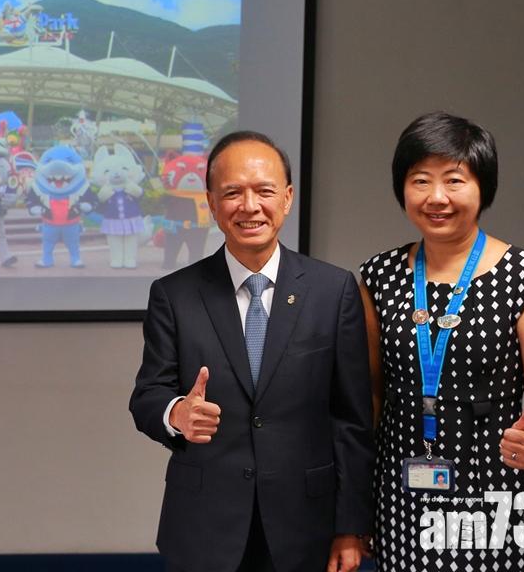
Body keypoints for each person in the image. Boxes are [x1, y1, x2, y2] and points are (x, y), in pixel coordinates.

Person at [130, 130, 375, 572]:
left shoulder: (332, 290)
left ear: (287, 197)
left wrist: (350, 527)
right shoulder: (175, 294)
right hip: (206, 525)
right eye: (232, 193)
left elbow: (352, 419)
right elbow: (148, 394)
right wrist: (176, 414)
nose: (249, 206)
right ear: (210, 202)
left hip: (307, 524)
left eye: (263, 190)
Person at [359, 112, 524, 570]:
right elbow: (372, 393)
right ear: (403, 188)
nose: (437, 197)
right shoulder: (378, 276)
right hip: (401, 489)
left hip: (494, 484)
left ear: (482, 188)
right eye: (420, 181)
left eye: (454, 180)